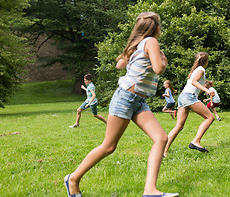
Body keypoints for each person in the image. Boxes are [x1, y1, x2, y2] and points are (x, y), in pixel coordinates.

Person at [64, 12, 179, 197]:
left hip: (138, 101)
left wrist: (134, 56)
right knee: (109, 146)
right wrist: (163, 61)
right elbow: (159, 68)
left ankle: (150, 191)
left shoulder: (137, 45)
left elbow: (119, 65)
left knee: (161, 138)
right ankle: (72, 179)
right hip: (126, 98)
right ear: (156, 28)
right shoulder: (151, 42)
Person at [164, 52, 215, 157]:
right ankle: (196, 141)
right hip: (188, 97)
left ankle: (163, 151)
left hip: (183, 97)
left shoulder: (195, 70)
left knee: (179, 126)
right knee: (210, 117)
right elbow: (194, 82)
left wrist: (206, 86)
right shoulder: (201, 70)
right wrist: (207, 90)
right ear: (206, 61)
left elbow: (195, 87)